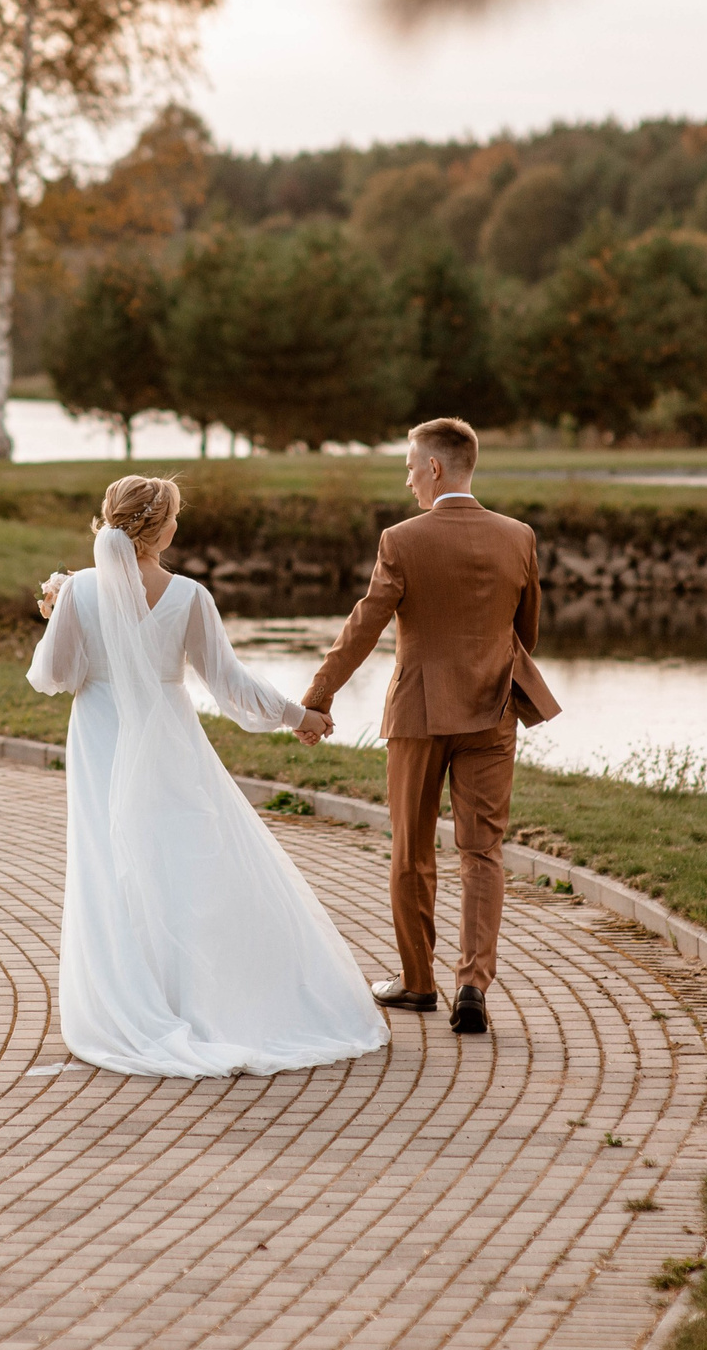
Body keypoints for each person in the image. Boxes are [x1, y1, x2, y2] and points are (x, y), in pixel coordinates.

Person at [25, 475, 389, 1077]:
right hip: (169, 739)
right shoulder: (190, 596)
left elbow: (53, 676)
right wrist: (299, 716)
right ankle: (199, 997)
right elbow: (230, 685)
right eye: (175, 516)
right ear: (159, 530)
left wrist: (59, 611)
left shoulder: (80, 590)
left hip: (100, 736)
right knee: (181, 858)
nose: (178, 524)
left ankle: (131, 998)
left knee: (108, 858)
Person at [296, 418, 559, 1036]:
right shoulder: (518, 536)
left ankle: (418, 983)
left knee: (412, 851)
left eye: (411, 466)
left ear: (435, 467)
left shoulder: (401, 540)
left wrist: (318, 698)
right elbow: (527, 631)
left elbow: (364, 626)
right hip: (492, 712)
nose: (409, 479)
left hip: (418, 714)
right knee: (482, 851)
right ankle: (473, 985)